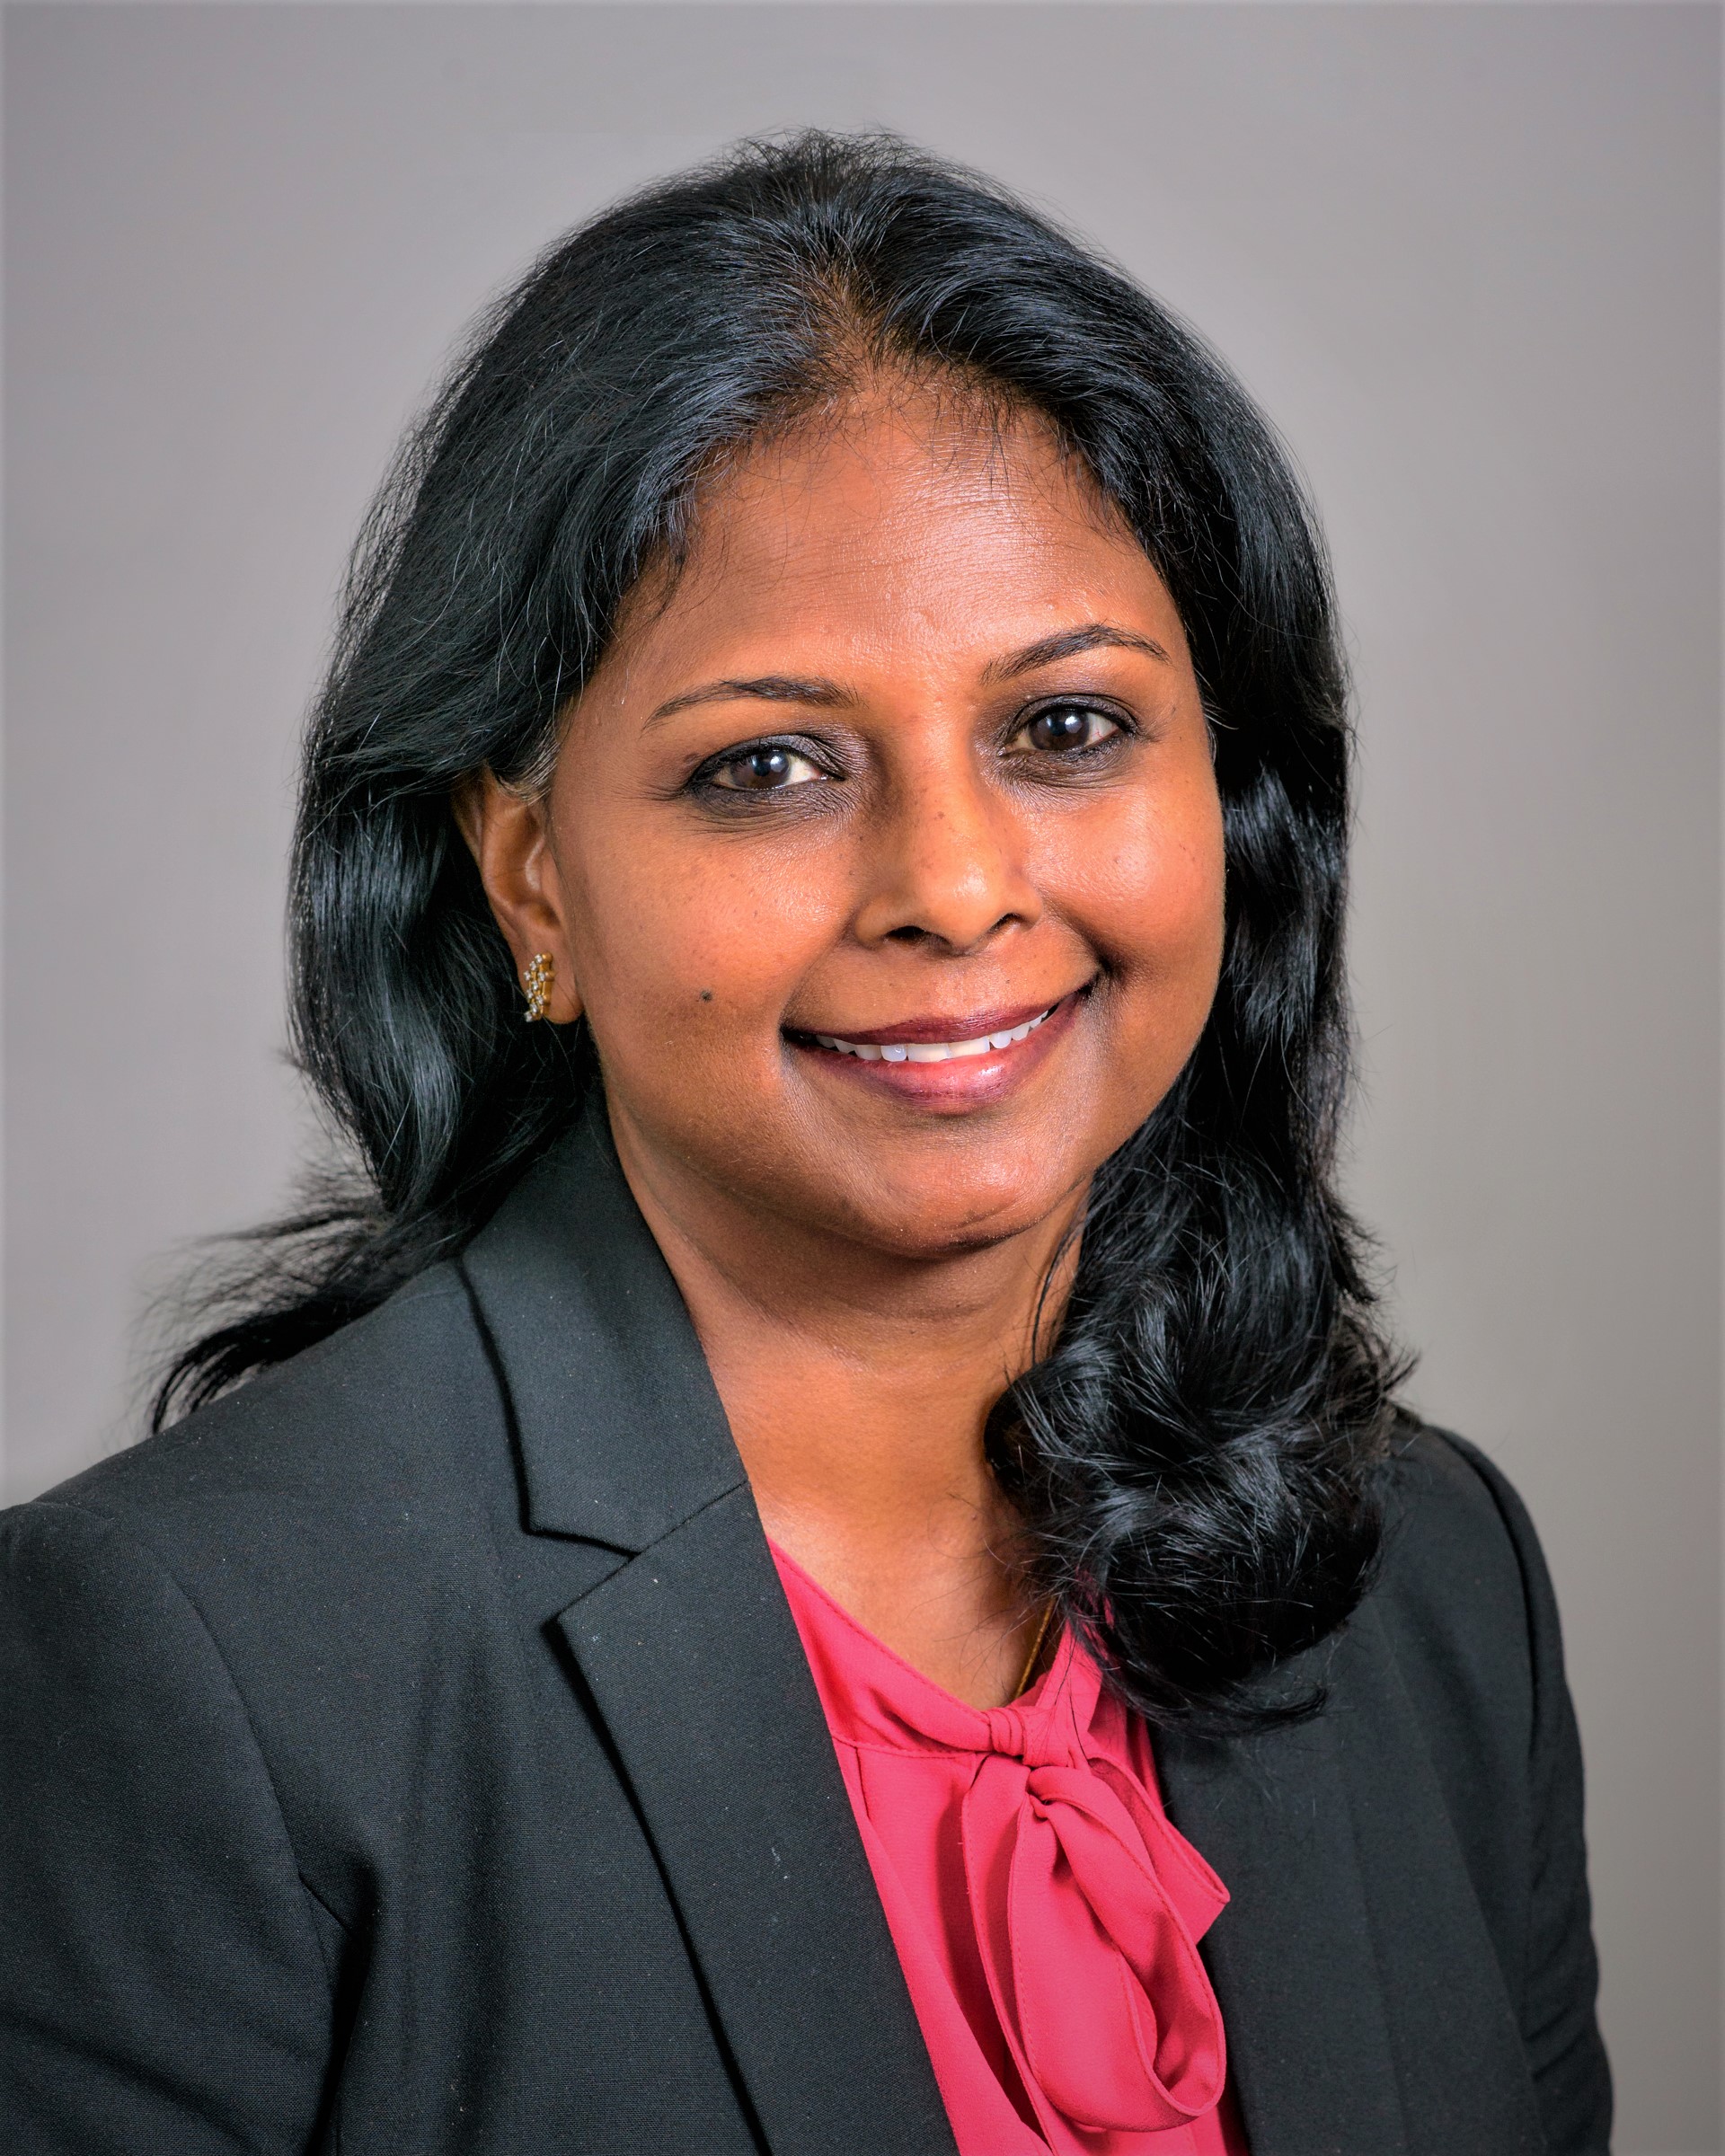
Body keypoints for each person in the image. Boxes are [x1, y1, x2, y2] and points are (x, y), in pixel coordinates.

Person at [0, 133, 1609, 2156]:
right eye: (766, 766)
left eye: (1068, 729)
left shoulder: (1430, 1581)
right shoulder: (190, 1669)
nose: (951, 884)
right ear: (530, 889)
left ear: (1235, 795)